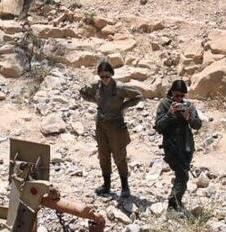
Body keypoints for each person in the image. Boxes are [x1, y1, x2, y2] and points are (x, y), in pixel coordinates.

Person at [79, 60, 142, 198]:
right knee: (103, 155)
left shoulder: (119, 87)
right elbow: (83, 92)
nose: (105, 79)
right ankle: (106, 185)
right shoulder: (96, 86)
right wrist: (96, 101)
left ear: (112, 74)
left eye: (107, 76)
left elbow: (138, 96)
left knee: (119, 155)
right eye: (102, 76)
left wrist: (123, 107)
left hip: (116, 125)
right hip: (101, 124)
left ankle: (125, 186)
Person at [154, 79, 203, 212]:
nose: (179, 99)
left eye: (182, 96)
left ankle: (177, 201)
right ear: (172, 92)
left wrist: (189, 118)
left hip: (186, 146)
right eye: (176, 95)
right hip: (171, 147)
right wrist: (170, 114)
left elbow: (198, 125)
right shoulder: (165, 104)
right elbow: (158, 126)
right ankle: (172, 205)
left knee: (183, 174)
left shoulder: (188, 106)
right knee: (182, 175)